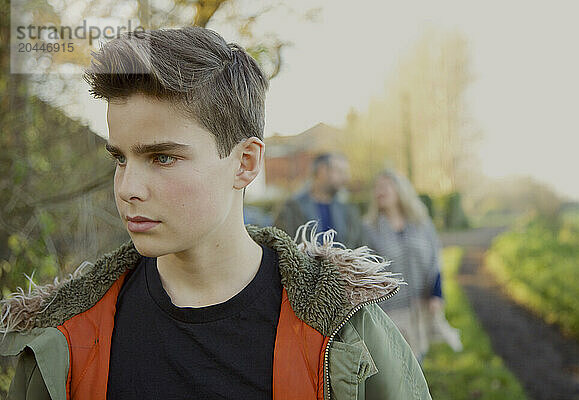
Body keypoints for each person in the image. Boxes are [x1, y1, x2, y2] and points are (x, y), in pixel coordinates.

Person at [0, 27, 431, 399]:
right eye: (120, 158)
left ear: (245, 163)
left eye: (162, 157)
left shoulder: (346, 333)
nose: (128, 189)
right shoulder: (64, 337)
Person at [363, 169, 462, 363]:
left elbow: (435, 259)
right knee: (395, 368)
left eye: (385, 186)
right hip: (389, 311)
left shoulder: (421, 223)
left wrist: (437, 293)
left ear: (400, 189)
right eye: (376, 188)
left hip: (421, 307)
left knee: (417, 364)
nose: (379, 191)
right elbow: (366, 271)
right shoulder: (368, 228)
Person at [274, 152, 366, 248]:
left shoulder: (349, 210)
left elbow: (361, 246)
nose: (346, 178)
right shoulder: (291, 209)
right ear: (322, 171)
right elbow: (282, 247)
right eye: (340, 172)